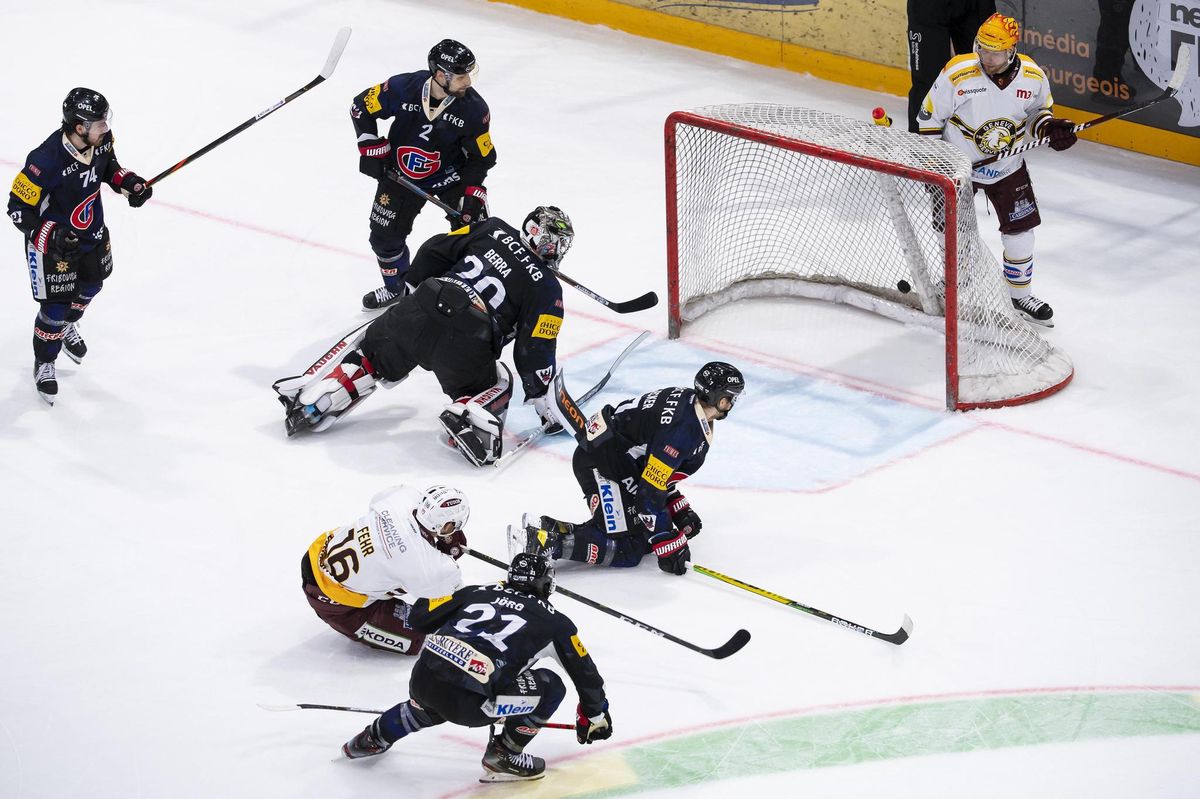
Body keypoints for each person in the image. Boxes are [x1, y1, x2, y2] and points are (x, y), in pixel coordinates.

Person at [273, 206, 575, 467]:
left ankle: (327, 394)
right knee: (499, 382)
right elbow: (534, 349)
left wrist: (412, 291)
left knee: (371, 355)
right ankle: (468, 414)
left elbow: (434, 249)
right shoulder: (548, 288)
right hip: (467, 341)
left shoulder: (492, 228)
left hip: (421, 307)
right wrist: (542, 399)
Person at [340, 552, 612, 782]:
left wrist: (439, 591)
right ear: (546, 585)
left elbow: (419, 619)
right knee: (552, 686)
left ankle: (374, 736)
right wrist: (594, 715)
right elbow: (586, 676)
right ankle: (505, 754)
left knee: (434, 699)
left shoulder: (474, 592)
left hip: (422, 681)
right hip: (471, 706)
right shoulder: (557, 624)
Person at [916, 13, 1077, 326]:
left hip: (1007, 167)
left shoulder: (1032, 76)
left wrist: (1050, 129)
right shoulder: (958, 73)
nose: (986, 58)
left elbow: (1037, 114)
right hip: (957, 165)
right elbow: (929, 120)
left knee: (1021, 234)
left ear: (1011, 51)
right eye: (982, 49)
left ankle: (1019, 296)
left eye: (995, 53)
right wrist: (937, 164)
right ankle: (954, 282)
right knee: (950, 229)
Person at [524, 362, 745, 576]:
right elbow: (648, 492)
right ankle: (544, 542)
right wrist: (666, 541)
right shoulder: (683, 431)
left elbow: (651, 463)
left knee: (642, 534)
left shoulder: (688, 402)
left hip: (612, 458)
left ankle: (551, 529)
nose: (732, 403)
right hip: (601, 465)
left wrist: (674, 503)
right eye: (730, 397)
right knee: (628, 548)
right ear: (716, 397)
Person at [7, 88, 153, 404]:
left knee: (92, 285)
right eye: (99, 122)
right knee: (54, 309)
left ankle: (67, 327)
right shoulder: (45, 160)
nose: (106, 127)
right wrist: (51, 234)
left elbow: (109, 167)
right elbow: (17, 209)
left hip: (91, 232)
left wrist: (129, 183)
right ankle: (45, 361)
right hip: (53, 246)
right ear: (79, 127)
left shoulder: (101, 141)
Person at [352, 39, 497, 311]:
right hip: (401, 174)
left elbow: (482, 157)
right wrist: (371, 148)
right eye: (461, 76)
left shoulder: (475, 110)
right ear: (440, 75)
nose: (468, 82)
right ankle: (398, 289)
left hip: (451, 178)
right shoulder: (402, 87)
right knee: (383, 238)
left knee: (476, 238)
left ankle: (473, 303)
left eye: (469, 74)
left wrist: (472, 191)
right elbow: (360, 107)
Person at [301, 484, 469, 654]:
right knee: (434, 636)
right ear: (447, 525)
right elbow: (457, 600)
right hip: (336, 605)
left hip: (316, 555)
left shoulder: (403, 495)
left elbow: (376, 504)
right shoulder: (428, 566)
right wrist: (443, 554)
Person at [906, 0, 996, 134]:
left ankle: (987, 136)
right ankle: (921, 141)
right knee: (928, 80)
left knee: (987, 72)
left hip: (977, 4)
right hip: (928, 6)